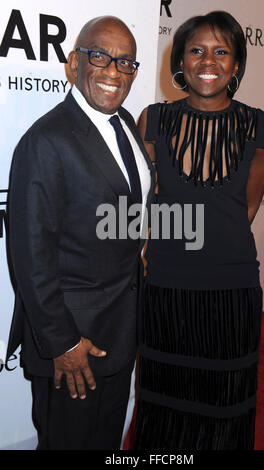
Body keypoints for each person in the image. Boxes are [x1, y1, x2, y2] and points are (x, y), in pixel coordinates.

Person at [6, 16, 154, 450]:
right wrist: (63, 342)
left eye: (126, 62)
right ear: (73, 64)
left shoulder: (125, 121)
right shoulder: (45, 141)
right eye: (100, 57)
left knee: (106, 441)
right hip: (74, 345)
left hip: (120, 330)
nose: (114, 71)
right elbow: (31, 256)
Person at [133, 11, 264, 450]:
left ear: (236, 65)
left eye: (221, 51)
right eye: (196, 50)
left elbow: (246, 207)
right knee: (163, 403)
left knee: (225, 405)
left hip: (231, 290)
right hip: (165, 287)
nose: (207, 61)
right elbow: (144, 201)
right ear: (180, 61)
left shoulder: (260, 127)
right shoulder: (152, 121)